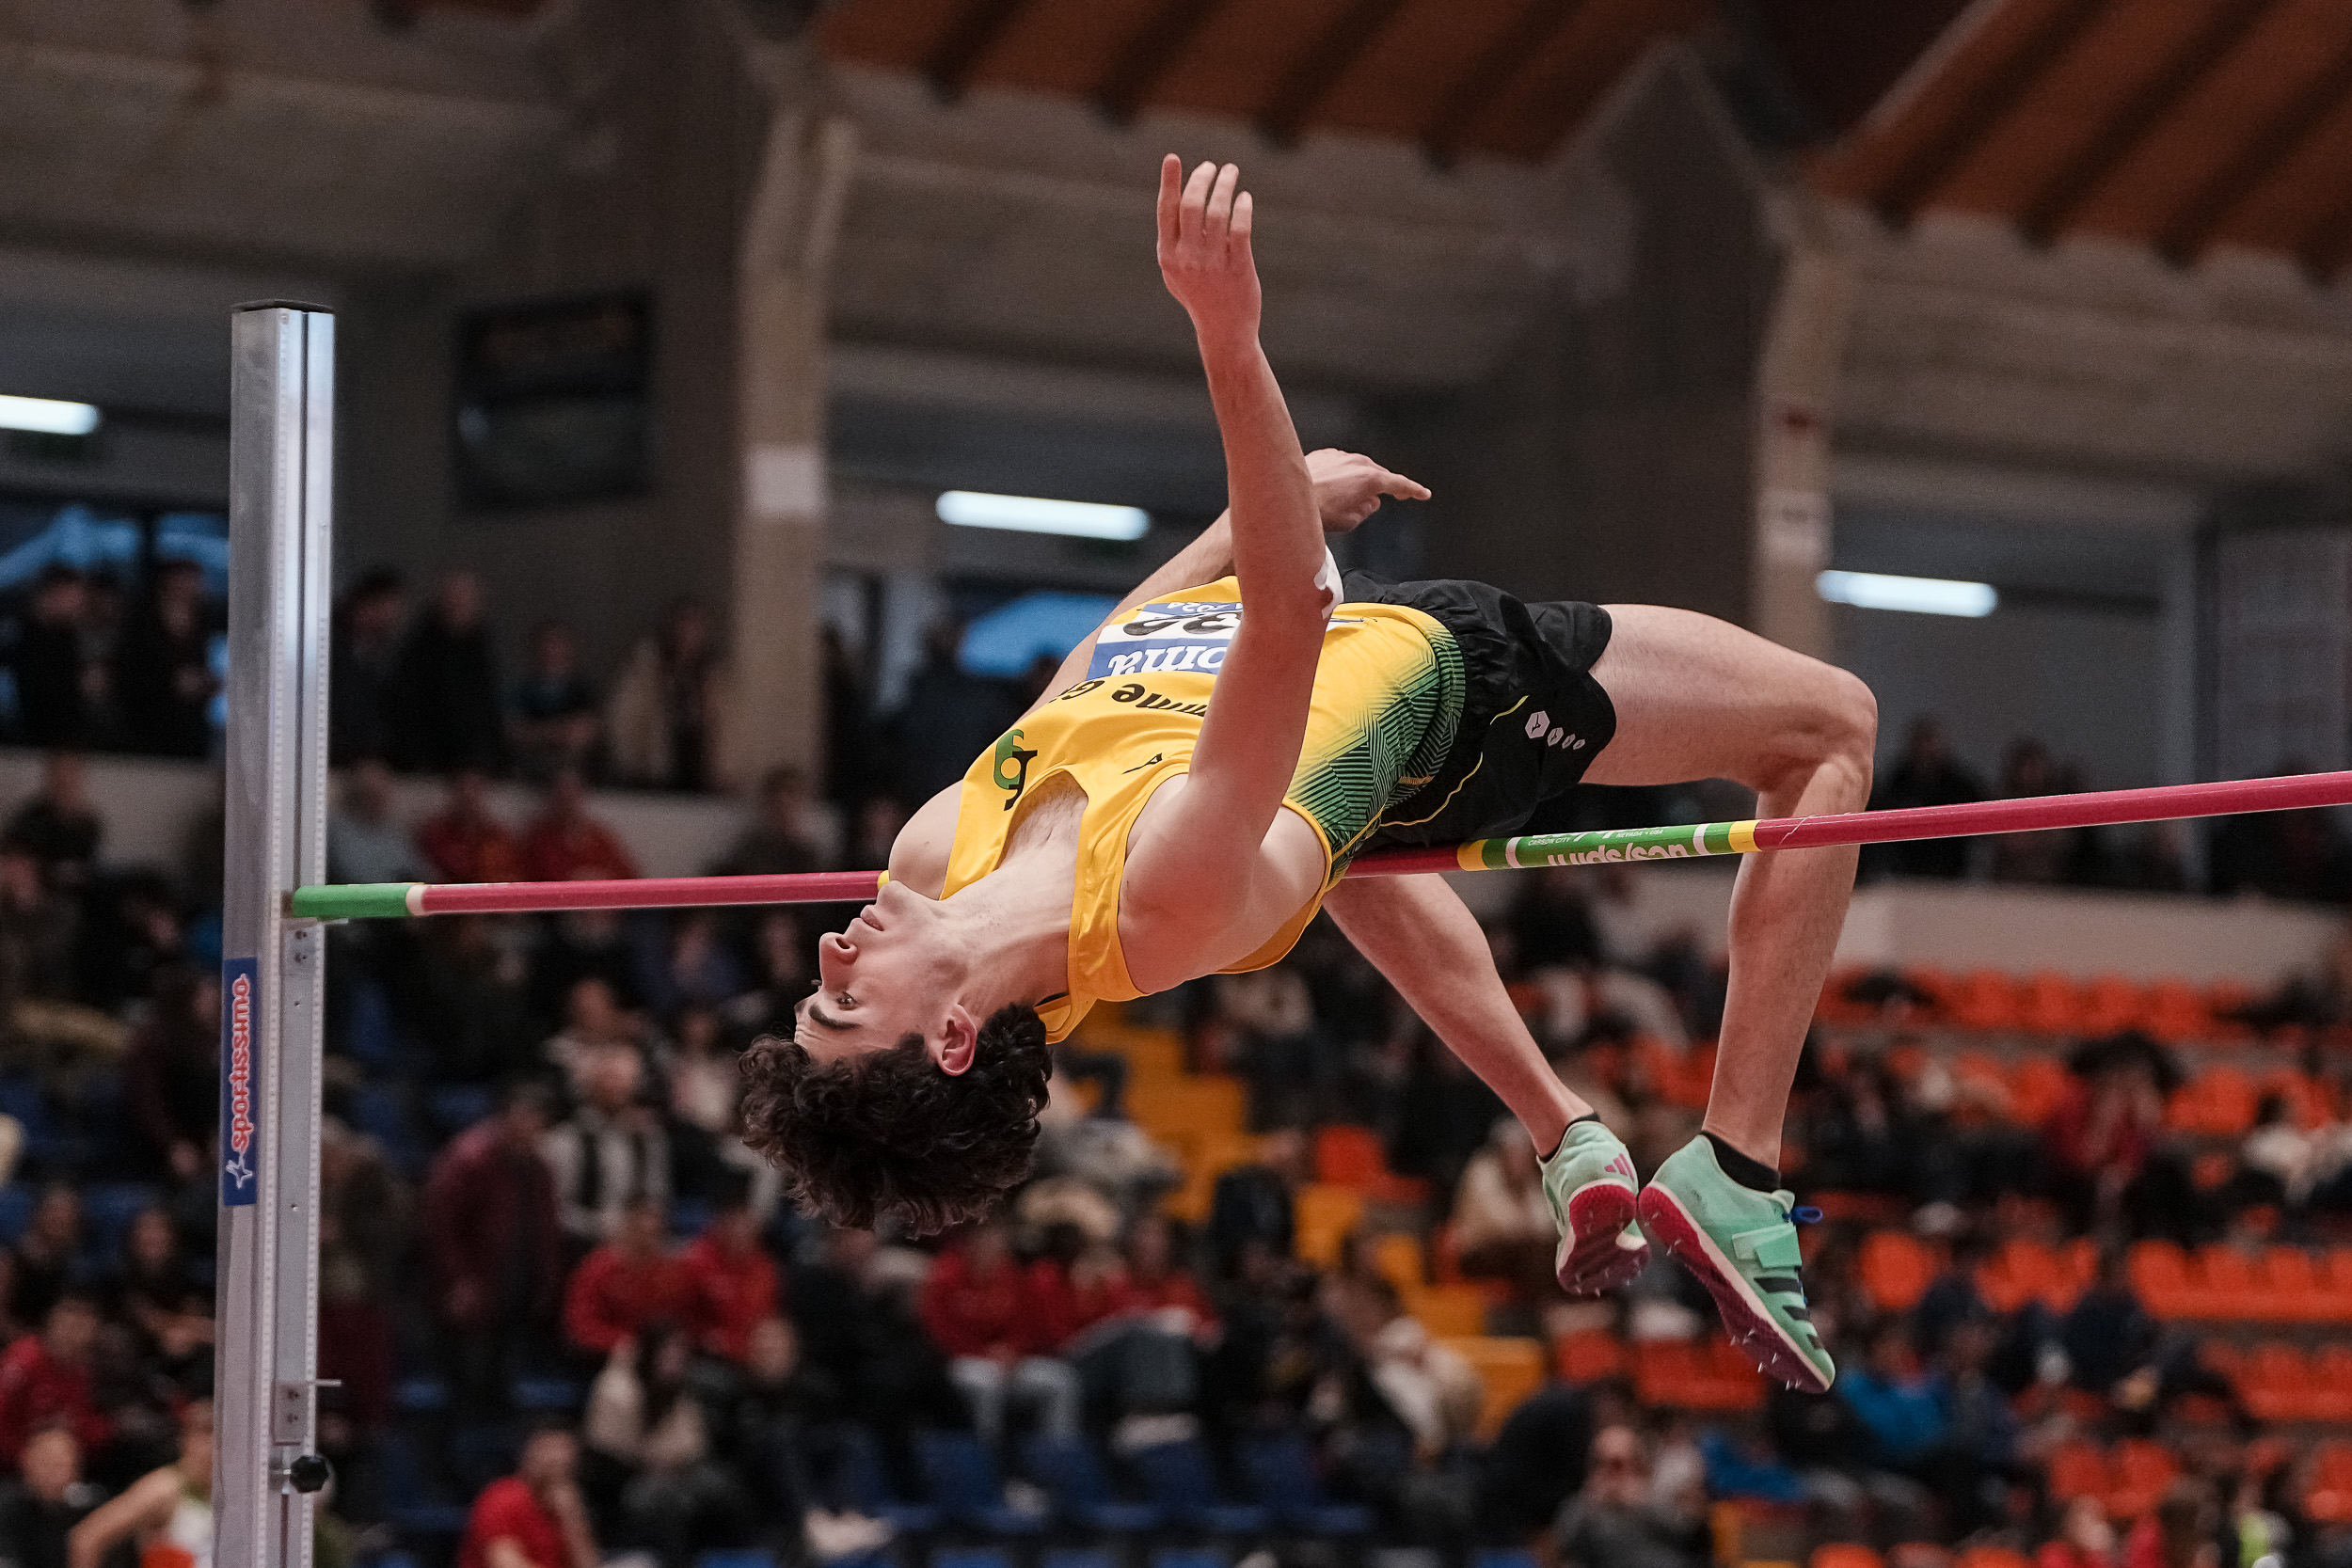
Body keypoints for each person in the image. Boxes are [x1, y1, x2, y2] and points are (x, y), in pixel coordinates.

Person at [739, 156, 1872, 1393]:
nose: (828, 953)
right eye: (843, 1004)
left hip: (1329, 678)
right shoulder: (1158, 901)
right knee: (1828, 727)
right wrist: (1230, 343)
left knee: (1328, 859)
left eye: (813, 991)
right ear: (955, 1034)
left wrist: (1255, 514)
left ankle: (1566, 1132)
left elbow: (1090, 673)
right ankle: (1737, 1163)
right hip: (1459, 686)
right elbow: (1287, 616)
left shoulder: (930, 852)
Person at [423, 1085, 564, 1417]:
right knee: (468, 1384)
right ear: (507, 1117)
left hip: (517, 1285)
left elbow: (545, 1228)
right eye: (526, 1118)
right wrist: (458, 1280)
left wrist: (546, 1280)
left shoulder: (538, 1166)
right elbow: (440, 1226)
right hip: (473, 1287)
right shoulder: (468, 1159)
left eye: (538, 1122)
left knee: (505, 1384)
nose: (533, 1128)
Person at [916, 1217, 1079, 1447]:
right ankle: (990, 1458)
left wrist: (1013, 1350)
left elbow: (1028, 1323)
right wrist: (981, 1353)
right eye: (986, 1241)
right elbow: (940, 1332)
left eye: (998, 1241)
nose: (993, 1248)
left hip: (1009, 1362)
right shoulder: (945, 1276)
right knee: (987, 1385)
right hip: (960, 1361)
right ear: (970, 1243)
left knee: (1060, 1381)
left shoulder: (1010, 1276)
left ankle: (1056, 1457)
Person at [63, 1399, 209, 1568]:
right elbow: (86, 1539)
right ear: (184, 1440)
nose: (211, 1447)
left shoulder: (227, 1496)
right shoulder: (164, 1487)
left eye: (219, 1438)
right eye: (203, 1436)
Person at [1547, 1424, 1709, 1568]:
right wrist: (1590, 1501)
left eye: (1617, 1464)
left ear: (1635, 1463)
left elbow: (1687, 1532)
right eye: (1601, 1463)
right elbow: (1562, 1541)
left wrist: (1641, 1502)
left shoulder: (1655, 1494)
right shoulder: (1586, 1504)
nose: (1608, 1471)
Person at [395, 570, 505, 774]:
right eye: (453, 601)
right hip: (426, 762)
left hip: (472, 767)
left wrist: (480, 761)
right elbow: (411, 709)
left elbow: (484, 710)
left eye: (465, 602)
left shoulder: (480, 652)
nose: (458, 608)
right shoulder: (418, 652)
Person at [113, 558, 216, 759]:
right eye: (185, 580)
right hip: (147, 728)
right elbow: (129, 672)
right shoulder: (141, 623)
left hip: (190, 731)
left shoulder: (203, 622)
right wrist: (170, 683)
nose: (192, 587)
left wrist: (205, 683)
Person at [456, 1424, 599, 1568]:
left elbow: (589, 1564)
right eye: (548, 1449)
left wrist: (572, 1518)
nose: (559, 1459)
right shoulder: (502, 1498)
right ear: (528, 1453)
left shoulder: (567, 1503)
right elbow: (506, 1564)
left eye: (566, 1450)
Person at [0, 1298, 105, 1471]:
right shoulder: (24, 1361)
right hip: (14, 1462)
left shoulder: (84, 1370)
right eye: (70, 1322)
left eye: (83, 1324)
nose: (74, 1332)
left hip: (61, 1461)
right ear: (53, 1321)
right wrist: (26, 1455)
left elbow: (83, 1422)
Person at [511, 620, 603, 784]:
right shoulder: (520, 691)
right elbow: (515, 733)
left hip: (572, 774)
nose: (551, 651)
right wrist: (559, 732)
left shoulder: (582, 692)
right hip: (527, 772)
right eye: (547, 644)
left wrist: (540, 732)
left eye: (557, 645)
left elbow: (584, 734)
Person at [5, 753, 101, 896]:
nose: (66, 784)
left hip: (77, 897)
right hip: (39, 897)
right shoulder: (29, 820)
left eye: (71, 777)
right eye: (60, 779)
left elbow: (87, 871)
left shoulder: (89, 824)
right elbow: (14, 865)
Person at [0, 1426, 93, 1568]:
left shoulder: (86, 1511)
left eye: (63, 1464)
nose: (56, 1474)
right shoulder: (6, 1508)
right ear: (26, 1461)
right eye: (47, 1462)